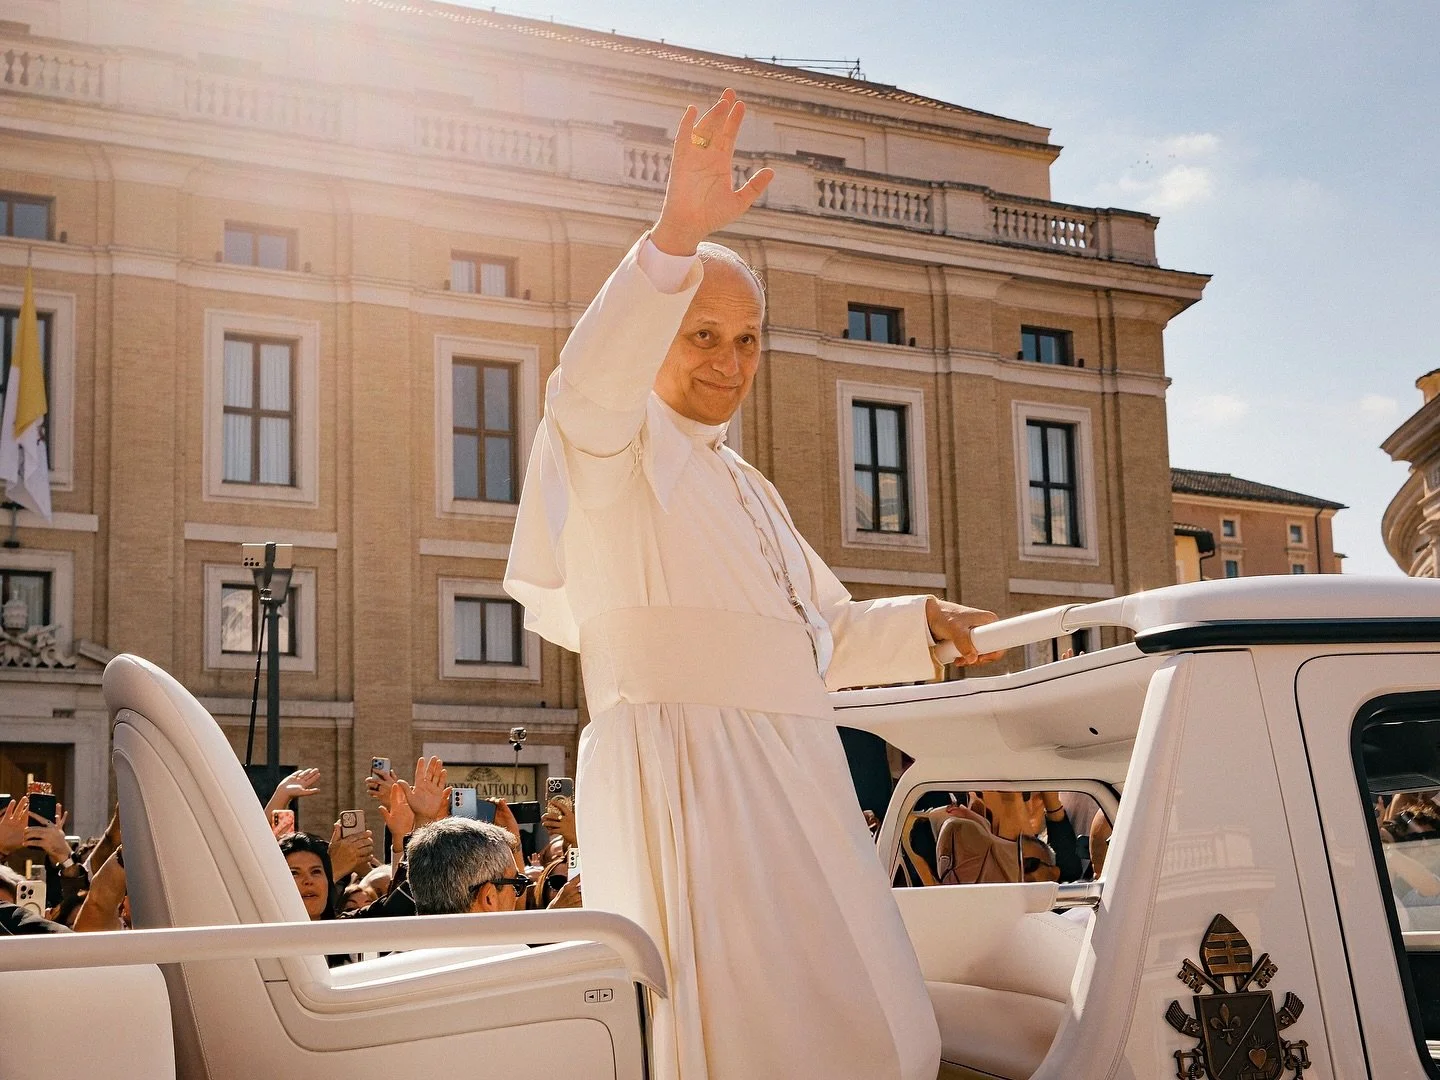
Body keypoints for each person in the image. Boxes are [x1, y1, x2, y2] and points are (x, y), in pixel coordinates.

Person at [504, 87, 1002, 1080]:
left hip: (799, 779)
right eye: (702, 335)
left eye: (747, 339)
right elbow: (585, 388)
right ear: (654, 335)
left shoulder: (747, 484)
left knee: (878, 1030)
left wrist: (923, 624)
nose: (730, 363)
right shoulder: (612, 450)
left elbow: (820, 634)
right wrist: (674, 239)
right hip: (698, 785)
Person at [405, 818, 529, 915]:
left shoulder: (396, 939)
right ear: (489, 897)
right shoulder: (525, 942)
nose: (517, 897)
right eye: (516, 885)